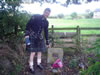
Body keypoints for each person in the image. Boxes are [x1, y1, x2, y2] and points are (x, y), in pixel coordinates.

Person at [24, 8, 51, 73]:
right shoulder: (36, 16)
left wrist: (47, 41)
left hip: (39, 37)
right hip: (32, 36)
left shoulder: (46, 22)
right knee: (33, 52)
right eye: (46, 12)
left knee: (40, 51)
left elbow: (46, 32)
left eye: (48, 13)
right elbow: (28, 25)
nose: (47, 14)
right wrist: (26, 35)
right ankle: (31, 67)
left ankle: (38, 64)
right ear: (44, 12)